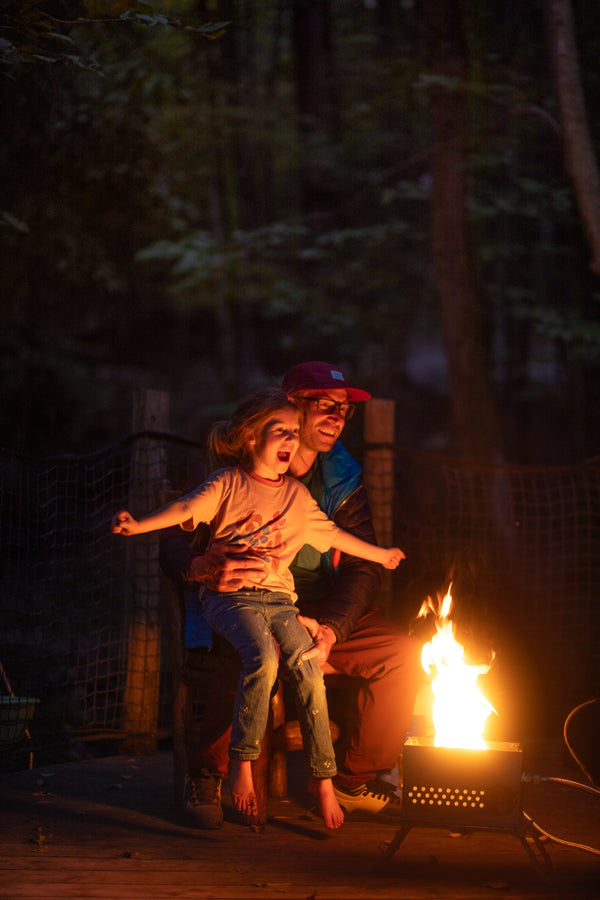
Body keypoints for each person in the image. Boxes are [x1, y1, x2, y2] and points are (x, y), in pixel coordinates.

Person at [112, 388, 405, 830]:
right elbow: (183, 514)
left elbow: (347, 546)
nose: (335, 416)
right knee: (255, 655)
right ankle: (217, 770)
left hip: (296, 603)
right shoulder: (224, 476)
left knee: (363, 656)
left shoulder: (334, 479)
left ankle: (341, 781)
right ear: (255, 432)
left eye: (344, 409)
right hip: (234, 598)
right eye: (323, 405)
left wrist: (337, 622)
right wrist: (153, 535)